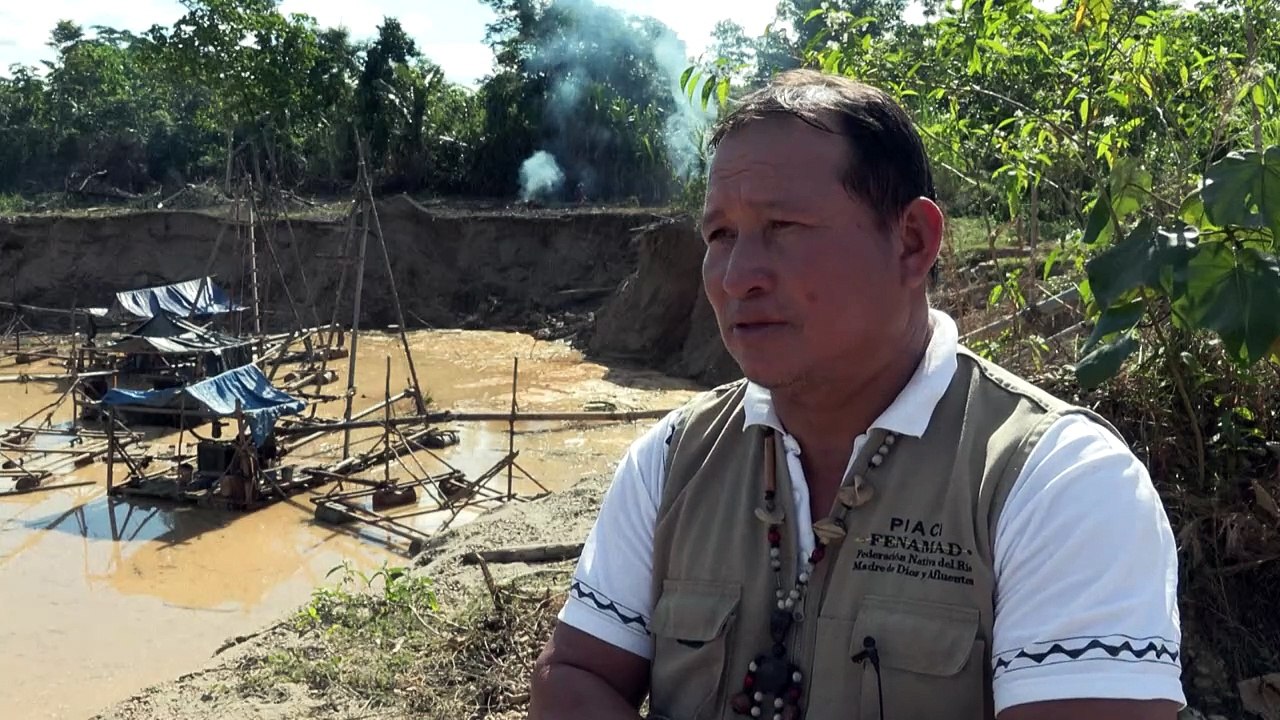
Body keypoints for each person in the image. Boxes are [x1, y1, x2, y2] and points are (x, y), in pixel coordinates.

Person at [529, 69, 1184, 720]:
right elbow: (574, 677)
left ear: (911, 243)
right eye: (720, 235)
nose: (737, 276)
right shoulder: (674, 460)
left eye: (783, 226)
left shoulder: (1057, 482)